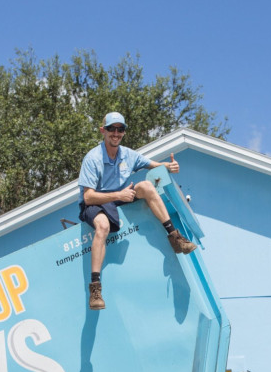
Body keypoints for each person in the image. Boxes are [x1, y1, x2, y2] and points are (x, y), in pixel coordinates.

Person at [78, 111, 196, 310]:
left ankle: (175, 237)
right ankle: (96, 288)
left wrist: (168, 166)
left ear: (123, 132)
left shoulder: (128, 154)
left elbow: (153, 165)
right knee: (103, 226)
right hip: (96, 202)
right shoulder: (93, 158)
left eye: (120, 129)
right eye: (111, 129)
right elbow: (88, 196)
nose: (116, 133)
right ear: (102, 131)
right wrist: (118, 195)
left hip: (120, 196)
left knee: (147, 187)